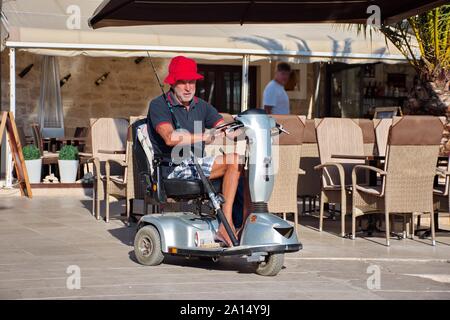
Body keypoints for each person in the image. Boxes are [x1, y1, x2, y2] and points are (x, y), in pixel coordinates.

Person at [147, 55, 249, 247]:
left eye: (191, 82)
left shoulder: (201, 106)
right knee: (234, 160)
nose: (188, 87)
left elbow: (226, 129)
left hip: (199, 165)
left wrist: (248, 129)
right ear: (172, 83)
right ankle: (224, 227)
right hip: (173, 168)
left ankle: (245, 223)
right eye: (182, 82)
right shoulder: (159, 105)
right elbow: (170, 137)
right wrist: (203, 135)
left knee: (245, 167)